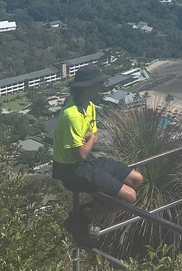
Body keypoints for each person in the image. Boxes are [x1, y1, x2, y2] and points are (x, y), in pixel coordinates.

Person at [52, 64, 144, 247]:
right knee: (129, 198)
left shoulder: (90, 106)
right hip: (72, 170)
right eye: (97, 83)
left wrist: (91, 140)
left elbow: (92, 136)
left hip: (88, 161)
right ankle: (84, 217)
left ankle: (90, 208)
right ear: (86, 87)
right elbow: (81, 153)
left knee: (136, 179)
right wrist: (92, 140)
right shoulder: (72, 115)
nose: (101, 86)